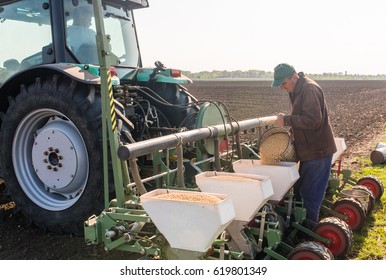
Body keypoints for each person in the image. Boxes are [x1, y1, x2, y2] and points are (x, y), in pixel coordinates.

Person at [271, 63, 337, 226]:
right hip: (309, 151)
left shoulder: (309, 89)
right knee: (300, 193)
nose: (282, 88)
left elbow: (313, 120)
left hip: (318, 151)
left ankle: (309, 239)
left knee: (310, 196)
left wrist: (287, 120)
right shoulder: (296, 89)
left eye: (283, 83)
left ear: (294, 76)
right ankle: (303, 231)